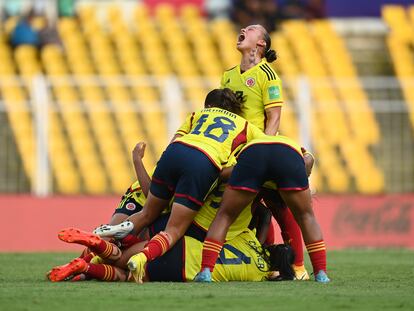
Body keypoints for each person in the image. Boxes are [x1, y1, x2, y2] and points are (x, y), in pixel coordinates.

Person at [110, 88, 264, 284]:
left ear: (208, 106)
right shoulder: (245, 128)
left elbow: (174, 142)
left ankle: (100, 248)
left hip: (175, 153)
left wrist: (139, 161)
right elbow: (269, 147)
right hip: (203, 168)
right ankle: (139, 259)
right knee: (173, 231)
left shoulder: (197, 115)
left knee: (147, 214)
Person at [222, 23, 310, 280]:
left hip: (257, 149)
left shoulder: (267, 75)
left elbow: (274, 117)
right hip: (234, 150)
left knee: (281, 205)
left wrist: (262, 149)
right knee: (253, 208)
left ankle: (298, 267)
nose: (242, 30)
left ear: (261, 44)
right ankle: (270, 263)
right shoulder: (227, 75)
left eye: (250, 29)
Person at [194, 135, 330, 283]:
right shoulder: (298, 152)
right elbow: (308, 160)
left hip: (253, 154)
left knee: (225, 216)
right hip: (287, 154)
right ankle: (321, 274)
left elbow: (228, 172)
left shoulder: (249, 144)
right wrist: (303, 179)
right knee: (306, 217)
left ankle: (206, 271)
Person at [48, 224, 295, 283]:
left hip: (182, 245)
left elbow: (261, 220)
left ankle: (94, 245)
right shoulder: (260, 275)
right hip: (183, 270)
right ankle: (85, 268)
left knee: (123, 258)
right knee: (125, 276)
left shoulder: (248, 238)